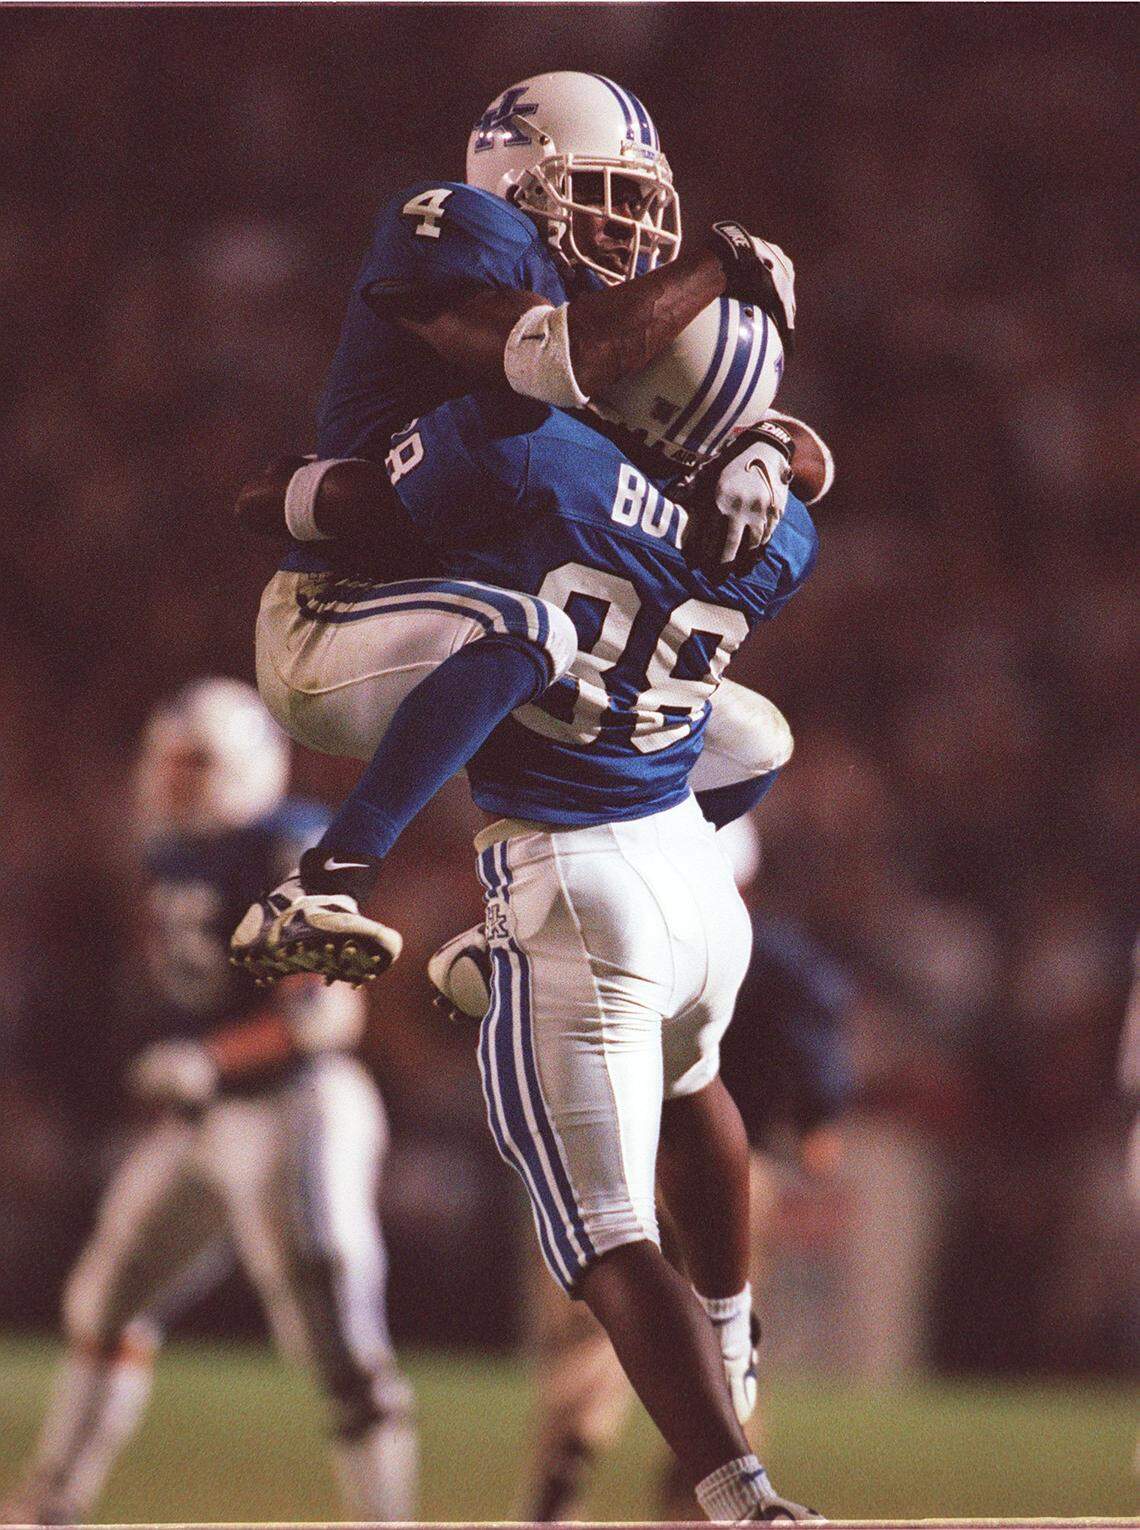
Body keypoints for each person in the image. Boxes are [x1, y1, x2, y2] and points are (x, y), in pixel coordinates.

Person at [238, 304, 830, 1519]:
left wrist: (282, 499)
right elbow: (789, 466)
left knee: (606, 1236)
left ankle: (740, 1496)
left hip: (572, 873)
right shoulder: (784, 540)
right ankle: (734, 1342)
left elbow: (368, 519)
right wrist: (763, 449)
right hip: (694, 876)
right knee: (692, 1087)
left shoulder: (533, 451)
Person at [229, 70, 801, 986]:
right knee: (533, 628)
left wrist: (764, 447)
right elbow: (549, 358)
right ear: (522, 177)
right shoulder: (458, 228)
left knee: (745, 740)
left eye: (642, 202)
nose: (630, 227)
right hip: (350, 608)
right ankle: (325, 882)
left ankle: (520, 927)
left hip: (478, 627)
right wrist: (712, 269)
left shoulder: (611, 316)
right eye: (609, 194)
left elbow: (784, 445)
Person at [2, 681, 415, 1526]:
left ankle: (386, 1518)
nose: (174, 780)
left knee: (336, 1341)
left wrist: (209, 1056)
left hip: (296, 1108)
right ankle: (52, 1504)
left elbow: (324, 1011)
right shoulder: (171, 853)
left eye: (196, 764)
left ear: (247, 767)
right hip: (210, 1116)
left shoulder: (289, 846)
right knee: (105, 1300)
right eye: (169, 762)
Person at [492, 815, 856, 1522]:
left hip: (614, 1155)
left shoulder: (598, 924)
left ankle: (565, 1472)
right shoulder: (772, 957)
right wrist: (811, 1154)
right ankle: (722, 1487)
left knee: (595, 1326)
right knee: (725, 1327)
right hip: (729, 1170)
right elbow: (819, 1115)